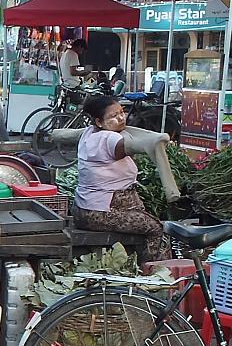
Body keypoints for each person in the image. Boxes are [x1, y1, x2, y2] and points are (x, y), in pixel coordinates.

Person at [72, 94, 169, 263]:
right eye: (113, 116)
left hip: (83, 208)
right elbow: (124, 146)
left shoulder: (89, 133)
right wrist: (153, 142)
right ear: (99, 122)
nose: (121, 118)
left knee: (144, 218)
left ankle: (136, 263)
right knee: (156, 228)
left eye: (122, 112)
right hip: (100, 212)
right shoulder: (109, 138)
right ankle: (153, 272)